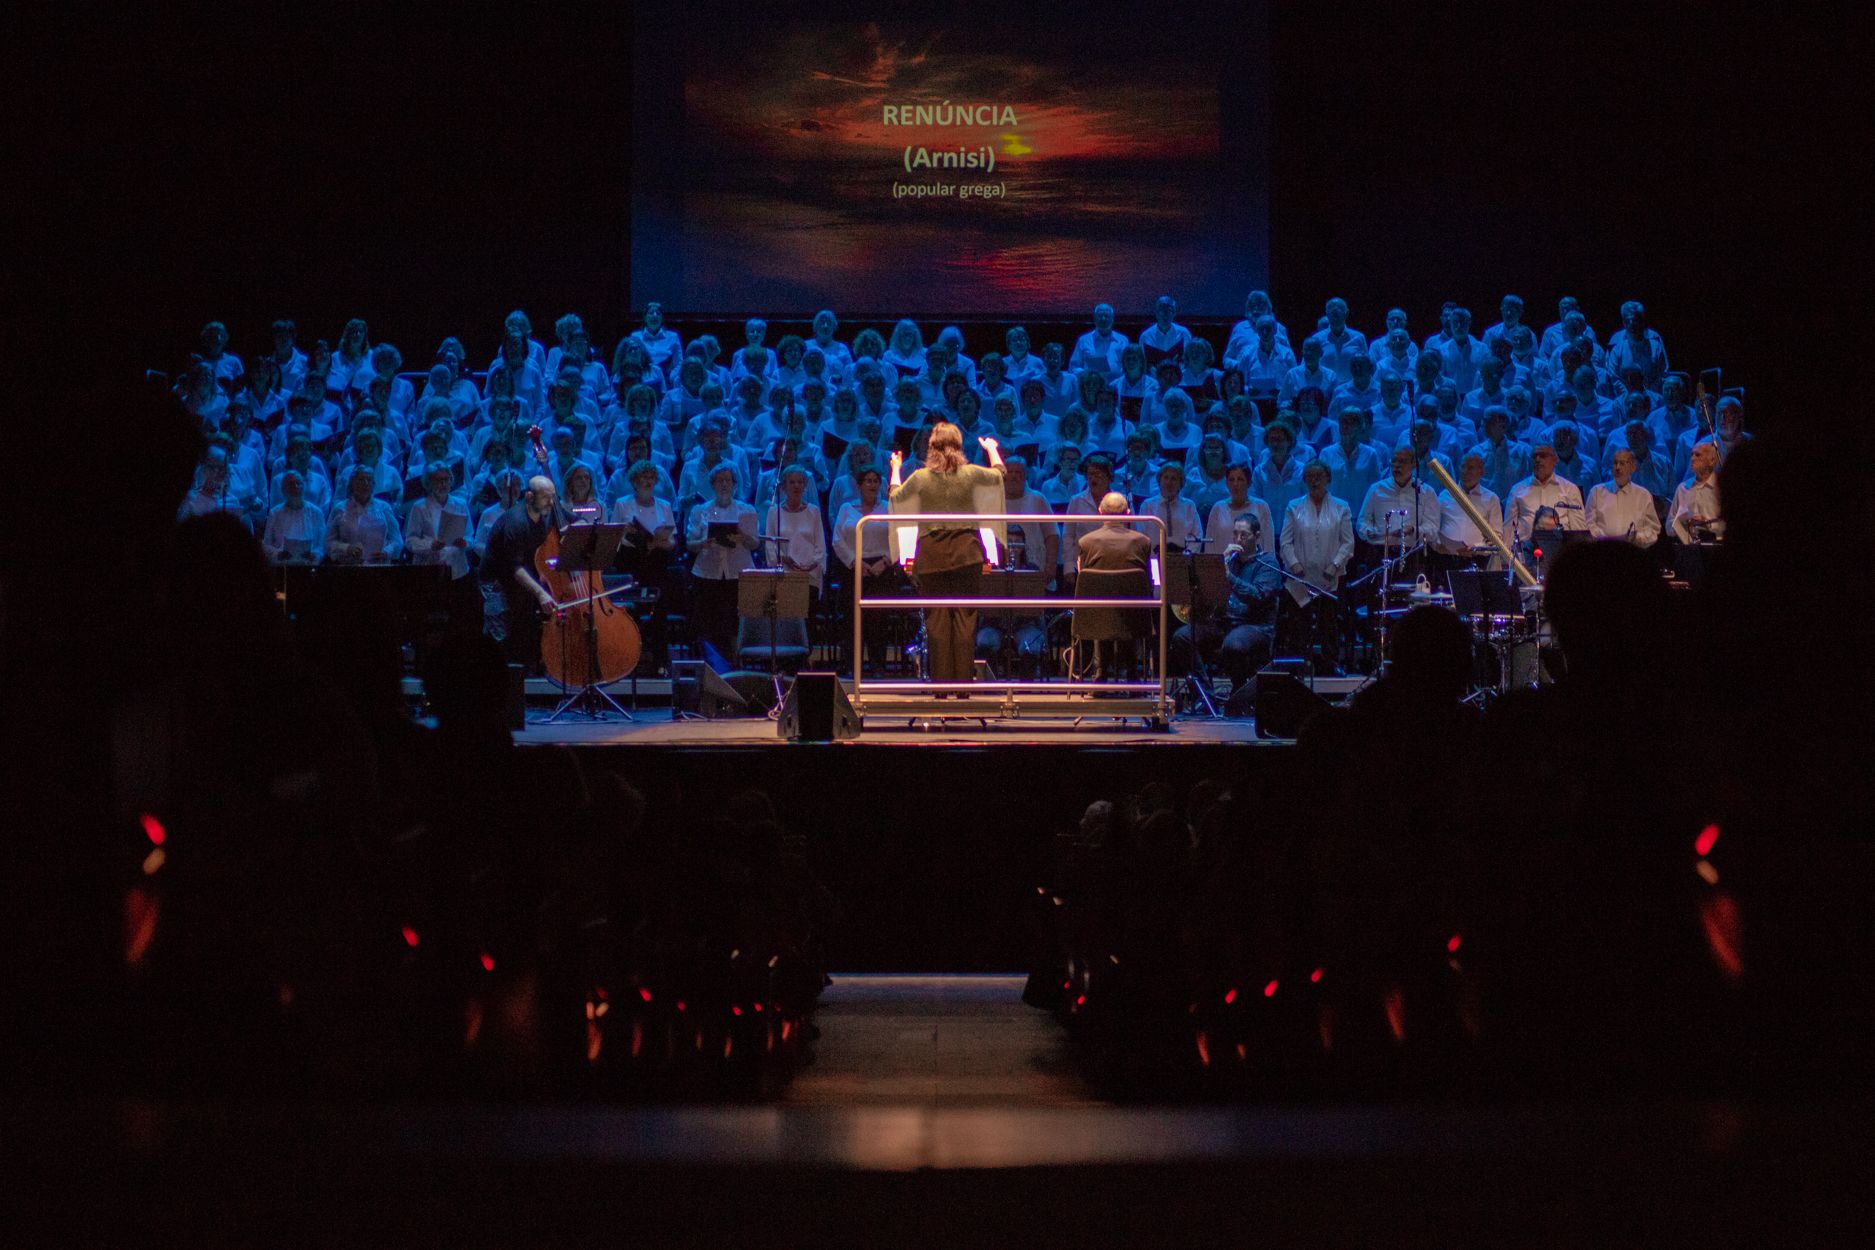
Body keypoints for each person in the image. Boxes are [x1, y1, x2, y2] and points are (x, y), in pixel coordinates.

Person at [888, 421, 1007, 695]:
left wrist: (895, 468)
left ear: (931, 447)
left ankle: (942, 690)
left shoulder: (920, 477)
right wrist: (992, 450)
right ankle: (963, 688)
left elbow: (895, 497)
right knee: (965, 621)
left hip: (932, 556)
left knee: (937, 623)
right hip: (967, 554)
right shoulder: (972, 474)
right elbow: (1000, 474)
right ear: (959, 446)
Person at [1170, 514, 1282, 691]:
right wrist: (1212, 572)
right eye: (1235, 534)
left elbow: (1258, 596)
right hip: (1226, 622)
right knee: (1182, 636)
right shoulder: (1230, 561)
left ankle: (1238, 692)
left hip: (1255, 625)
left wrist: (1228, 577)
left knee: (1233, 645)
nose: (1238, 539)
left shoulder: (1267, 563)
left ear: (1257, 536)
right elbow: (1211, 596)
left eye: (1244, 535)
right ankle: (1205, 693)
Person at [480, 474, 570, 669]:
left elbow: (575, 522)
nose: (552, 502)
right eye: (546, 497)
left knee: (523, 635)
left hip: (524, 582)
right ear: (529, 497)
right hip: (498, 584)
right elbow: (516, 568)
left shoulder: (549, 510)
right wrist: (541, 593)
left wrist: (571, 537)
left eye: (554, 497)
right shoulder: (516, 522)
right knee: (501, 637)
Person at [1280, 461, 1355, 666]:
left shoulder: (1342, 507)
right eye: (1310, 476)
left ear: (1327, 479)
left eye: (1318, 476)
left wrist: (1334, 566)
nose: (1314, 481)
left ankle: (1330, 664)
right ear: (1304, 479)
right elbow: (1285, 541)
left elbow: (1347, 542)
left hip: (1329, 576)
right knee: (1299, 624)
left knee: (1329, 624)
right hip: (1300, 577)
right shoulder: (1294, 507)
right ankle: (1298, 664)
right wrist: (1295, 565)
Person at [685, 464, 760, 661]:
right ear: (713, 484)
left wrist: (742, 536)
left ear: (735, 484)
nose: (724, 484)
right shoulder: (700, 511)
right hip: (707, 573)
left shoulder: (747, 510)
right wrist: (704, 543)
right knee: (708, 624)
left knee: (735, 623)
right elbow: (689, 543)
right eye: (720, 480)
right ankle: (710, 665)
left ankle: (736, 665)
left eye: (728, 480)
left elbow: (755, 544)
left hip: (738, 573)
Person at [1505, 444, 1589, 545]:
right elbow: (1508, 529)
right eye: (1534, 456)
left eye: (1543, 456)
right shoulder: (1517, 490)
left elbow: (1578, 529)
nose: (1538, 459)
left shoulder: (1570, 489)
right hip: (1526, 552)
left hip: (1561, 551)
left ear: (1555, 460)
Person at [763, 464, 828, 595]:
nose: (796, 486)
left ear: (805, 485)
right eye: (792, 482)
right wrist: (783, 559)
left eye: (800, 482)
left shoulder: (813, 511)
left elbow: (820, 545)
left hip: (809, 574)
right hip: (783, 573)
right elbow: (770, 544)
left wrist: (811, 565)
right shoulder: (774, 512)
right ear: (784, 486)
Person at [405, 460, 473, 578]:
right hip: (429, 568)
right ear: (429, 483)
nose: (443, 484)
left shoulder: (461, 504)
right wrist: (431, 545)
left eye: (446, 479)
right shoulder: (419, 506)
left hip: (457, 570)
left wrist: (465, 542)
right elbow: (410, 540)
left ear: (451, 481)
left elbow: (470, 536)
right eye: (438, 480)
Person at [1436, 453, 1507, 564]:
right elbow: (1434, 526)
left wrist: (1475, 548)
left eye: (1470, 468)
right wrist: (1438, 543)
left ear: (1481, 472)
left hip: (1477, 560)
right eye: (1462, 467)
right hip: (1446, 559)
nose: (1465, 471)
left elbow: (1496, 538)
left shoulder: (1491, 499)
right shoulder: (1445, 495)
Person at [325, 464, 403, 562]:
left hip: (379, 567)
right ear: (351, 484)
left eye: (369, 480)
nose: (365, 483)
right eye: (361, 480)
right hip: (348, 566)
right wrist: (346, 548)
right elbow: (328, 542)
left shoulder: (384, 508)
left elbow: (397, 540)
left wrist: (387, 552)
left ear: (373, 484)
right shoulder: (339, 509)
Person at [1587, 449, 1663, 547]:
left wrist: (1637, 538)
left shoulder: (1643, 495)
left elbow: (1653, 528)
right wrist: (1606, 540)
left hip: (1633, 552)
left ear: (1633, 467)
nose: (1618, 467)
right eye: (1615, 463)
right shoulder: (1596, 492)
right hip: (1603, 551)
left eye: (1622, 463)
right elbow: (1589, 524)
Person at [261, 468, 324, 562]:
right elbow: (266, 544)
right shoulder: (274, 513)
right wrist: (278, 554)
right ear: (283, 490)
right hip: (282, 567)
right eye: (290, 484)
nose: (296, 487)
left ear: (304, 486)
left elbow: (322, 543)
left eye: (299, 483)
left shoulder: (316, 513)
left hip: (309, 567)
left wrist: (315, 554)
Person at [1668, 441, 1724, 543]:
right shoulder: (1683, 488)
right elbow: (1668, 527)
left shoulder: (1721, 487)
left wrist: (1707, 524)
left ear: (1711, 461)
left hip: (1716, 547)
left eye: (1698, 455)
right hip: (1688, 550)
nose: (1692, 459)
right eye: (1692, 455)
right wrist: (1683, 523)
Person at [1144, 462, 1203, 552]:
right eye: (1166, 478)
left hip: (1183, 558)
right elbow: (1142, 534)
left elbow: (1197, 535)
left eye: (1173, 479)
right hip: (1154, 556)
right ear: (1159, 481)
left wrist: (1187, 555)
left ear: (1180, 483)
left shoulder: (1189, 506)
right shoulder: (1148, 505)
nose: (1169, 482)